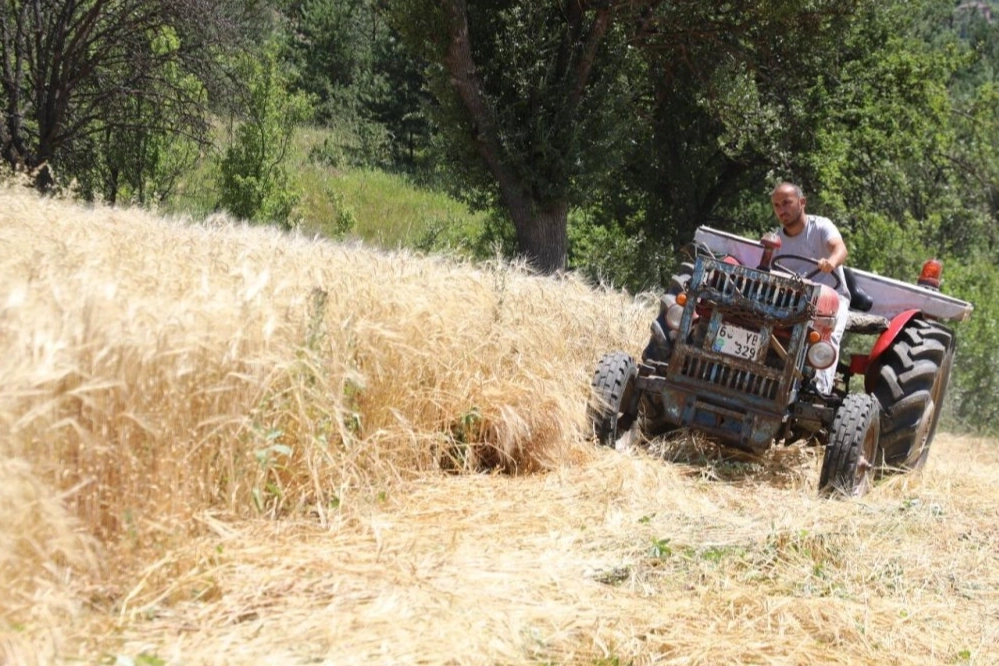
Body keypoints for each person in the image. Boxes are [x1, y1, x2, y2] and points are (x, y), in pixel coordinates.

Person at [770, 182, 851, 395]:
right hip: (794, 299)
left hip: (830, 298)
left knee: (827, 335)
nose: (782, 210)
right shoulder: (776, 240)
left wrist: (831, 261)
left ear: (802, 202)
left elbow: (840, 249)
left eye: (786, 203)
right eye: (777, 205)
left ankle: (819, 392)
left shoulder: (821, 226)